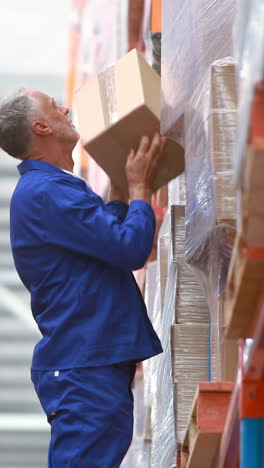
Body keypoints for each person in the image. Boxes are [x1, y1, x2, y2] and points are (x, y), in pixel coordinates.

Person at [0, 88, 164, 467]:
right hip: (83, 367)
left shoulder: (52, 189)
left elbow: (104, 243)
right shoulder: (45, 192)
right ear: (41, 127)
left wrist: (122, 193)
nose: (66, 108)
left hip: (88, 363)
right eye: (55, 106)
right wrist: (139, 189)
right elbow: (129, 249)